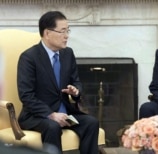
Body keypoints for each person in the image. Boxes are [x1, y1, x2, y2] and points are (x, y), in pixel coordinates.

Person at [17, 11, 99, 154]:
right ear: (47, 33)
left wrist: (76, 91)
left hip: (66, 115)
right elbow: (26, 95)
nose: (67, 36)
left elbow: (77, 81)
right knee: (52, 126)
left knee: (91, 123)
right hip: (39, 117)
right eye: (62, 31)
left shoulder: (68, 53)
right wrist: (51, 114)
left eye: (68, 31)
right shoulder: (29, 58)